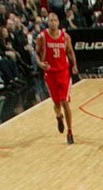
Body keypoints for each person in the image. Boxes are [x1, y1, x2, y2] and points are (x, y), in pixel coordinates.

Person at [36, 12, 78, 144]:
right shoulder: (42, 37)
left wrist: (74, 65)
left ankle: (70, 131)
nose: (52, 22)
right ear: (47, 22)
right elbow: (36, 53)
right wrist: (40, 63)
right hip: (50, 73)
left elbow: (70, 52)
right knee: (56, 104)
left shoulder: (65, 37)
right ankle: (59, 117)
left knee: (65, 102)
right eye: (50, 20)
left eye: (54, 20)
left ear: (58, 22)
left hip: (63, 72)